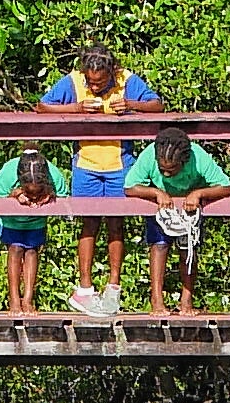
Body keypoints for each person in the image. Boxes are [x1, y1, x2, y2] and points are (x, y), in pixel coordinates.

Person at [40, 40, 159, 315]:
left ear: (112, 72)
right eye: (91, 82)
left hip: (120, 163)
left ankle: (113, 287)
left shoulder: (126, 79)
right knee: (88, 224)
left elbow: (157, 105)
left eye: (100, 82)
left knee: (116, 224)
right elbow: (43, 107)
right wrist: (76, 109)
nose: (95, 87)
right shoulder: (73, 81)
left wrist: (130, 106)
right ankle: (84, 288)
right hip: (86, 163)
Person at [124, 119, 230, 315]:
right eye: (162, 169)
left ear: (184, 161)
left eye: (172, 170)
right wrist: (156, 193)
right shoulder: (150, 154)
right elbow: (130, 187)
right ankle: (157, 301)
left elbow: (225, 186)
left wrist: (199, 193)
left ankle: (187, 301)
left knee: (188, 249)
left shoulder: (198, 157)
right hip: (161, 205)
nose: (166, 173)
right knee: (159, 246)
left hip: (189, 207)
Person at [0, 148, 62, 313]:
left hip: (36, 221)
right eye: (29, 191)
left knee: (32, 251)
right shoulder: (8, 172)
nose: (33, 196)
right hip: (11, 221)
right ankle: (14, 299)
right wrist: (15, 195)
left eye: (37, 191)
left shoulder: (53, 174)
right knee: (16, 248)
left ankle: (27, 299)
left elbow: (63, 194)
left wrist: (48, 195)